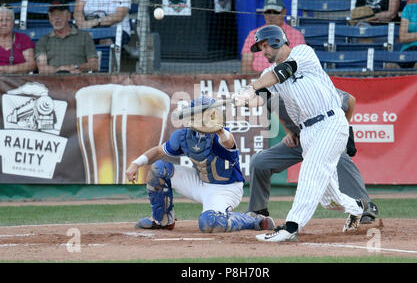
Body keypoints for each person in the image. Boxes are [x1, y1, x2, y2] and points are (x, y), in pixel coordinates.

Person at [233, 25, 371, 242]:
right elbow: (262, 98)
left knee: (310, 169)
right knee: (329, 199)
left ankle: (291, 227)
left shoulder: (303, 52)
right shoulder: (265, 75)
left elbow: (282, 72)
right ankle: (357, 207)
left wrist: (252, 87)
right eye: (260, 47)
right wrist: (245, 98)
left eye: (266, 45)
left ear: (278, 40)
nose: (264, 51)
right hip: (308, 131)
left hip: (330, 122)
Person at [125, 96, 275, 233]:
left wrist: (219, 129)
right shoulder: (184, 136)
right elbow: (159, 151)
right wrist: (135, 164)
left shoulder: (221, 135)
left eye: (204, 114)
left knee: (210, 223)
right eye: (197, 114)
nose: (200, 117)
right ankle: (162, 220)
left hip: (226, 189)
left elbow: (229, 142)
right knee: (159, 168)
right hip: (199, 182)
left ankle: (253, 219)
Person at [247, 89, 379, 224]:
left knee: (340, 159)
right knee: (259, 162)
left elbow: (350, 99)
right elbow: (280, 112)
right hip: (300, 140)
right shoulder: (270, 96)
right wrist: (290, 133)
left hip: (324, 137)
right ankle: (258, 210)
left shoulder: (307, 87)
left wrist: (344, 127)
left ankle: (365, 206)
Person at [241, 0, 305, 73]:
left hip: (284, 79)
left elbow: (297, 65)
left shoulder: (296, 35)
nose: (271, 16)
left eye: (275, 12)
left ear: (284, 12)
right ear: (263, 13)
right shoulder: (253, 34)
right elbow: (246, 66)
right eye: (268, 12)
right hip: (257, 79)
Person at [35, 0, 98, 74]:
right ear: (49, 18)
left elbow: (94, 65)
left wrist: (76, 67)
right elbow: (42, 69)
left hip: (78, 79)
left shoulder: (84, 36)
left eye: (60, 14)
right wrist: (61, 70)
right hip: (52, 81)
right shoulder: (43, 40)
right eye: (53, 15)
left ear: (68, 16)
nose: (56, 18)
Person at [0, 5, 36, 74]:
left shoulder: (23, 39)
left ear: (13, 22)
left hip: (18, 80)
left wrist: (6, 69)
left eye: (7, 20)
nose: (4, 23)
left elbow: (32, 65)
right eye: (0, 20)